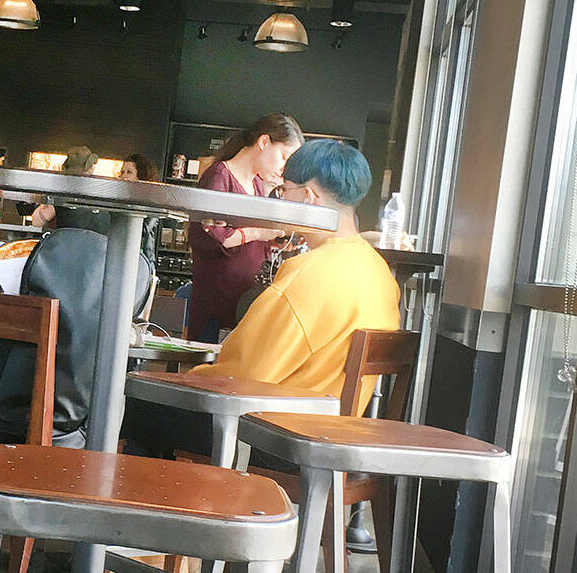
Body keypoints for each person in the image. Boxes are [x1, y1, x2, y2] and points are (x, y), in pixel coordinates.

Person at [123, 139, 401, 460]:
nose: (280, 200)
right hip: (332, 433)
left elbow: (242, 377)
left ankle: (170, 506)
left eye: (285, 190)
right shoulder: (379, 273)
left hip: (279, 437)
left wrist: (184, 379)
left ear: (309, 197)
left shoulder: (309, 273)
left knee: (139, 404)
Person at [186, 114, 304, 343]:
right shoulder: (219, 176)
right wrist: (259, 233)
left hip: (245, 301)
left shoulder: (258, 185)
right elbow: (208, 236)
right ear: (264, 142)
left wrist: (275, 240)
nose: (284, 169)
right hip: (216, 300)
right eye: (284, 157)